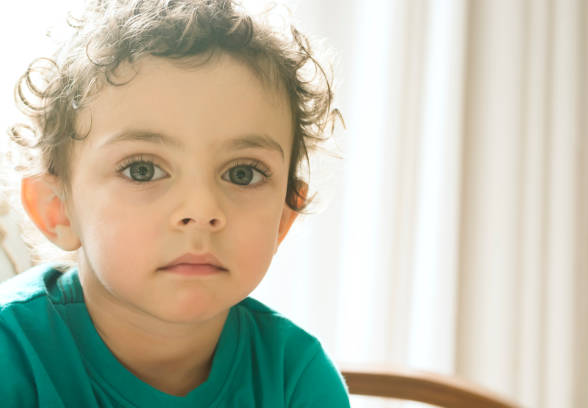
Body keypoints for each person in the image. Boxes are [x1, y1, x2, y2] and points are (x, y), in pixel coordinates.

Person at [0, 0, 349, 406]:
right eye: (142, 170)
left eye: (243, 174)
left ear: (283, 219)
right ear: (56, 208)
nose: (201, 211)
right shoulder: (12, 358)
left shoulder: (296, 379)